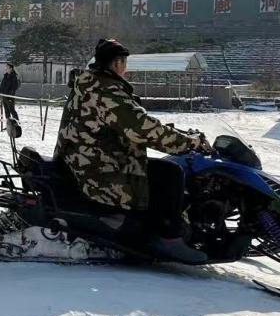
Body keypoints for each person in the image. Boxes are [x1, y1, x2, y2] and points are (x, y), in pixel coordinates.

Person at [55, 38, 210, 264]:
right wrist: (187, 143)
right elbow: (140, 127)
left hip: (88, 159)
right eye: (124, 62)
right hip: (98, 168)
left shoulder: (89, 83)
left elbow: (126, 123)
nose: (125, 68)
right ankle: (168, 237)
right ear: (117, 64)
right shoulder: (105, 90)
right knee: (170, 173)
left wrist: (173, 132)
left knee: (159, 170)